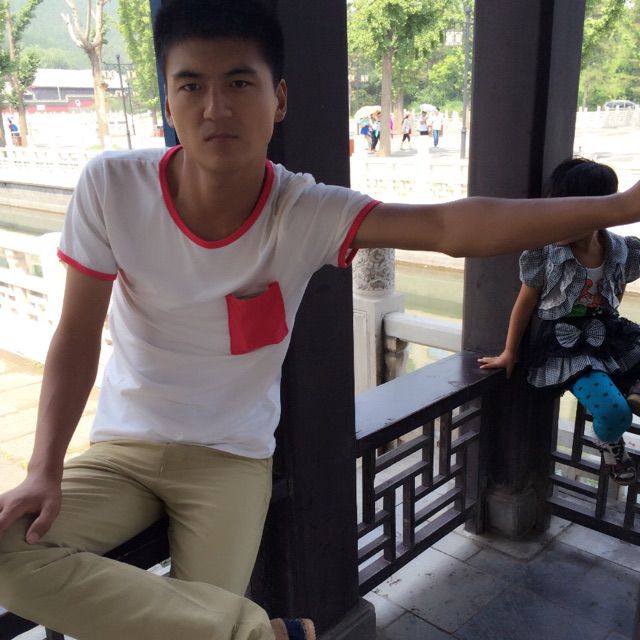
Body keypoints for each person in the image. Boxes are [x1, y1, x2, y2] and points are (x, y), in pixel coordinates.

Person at [2, 1, 640, 638]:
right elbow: (77, 335)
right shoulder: (112, 187)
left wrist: (620, 206)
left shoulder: (301, 209)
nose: (215, 107)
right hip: (122, 449)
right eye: (191, 86)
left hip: (229, 461)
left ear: (278, 99)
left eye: (239, 83)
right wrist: (44, 468)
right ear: (168, 103)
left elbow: (449, 226)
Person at [478, 158, 640, 485]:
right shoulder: (545, 253)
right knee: (613, 413)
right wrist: (510, 352)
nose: (556, 221)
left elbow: (618, 286)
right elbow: (526, 301)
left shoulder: (621, 249)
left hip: (608, 331)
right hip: (567, 344)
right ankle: (610, 442)